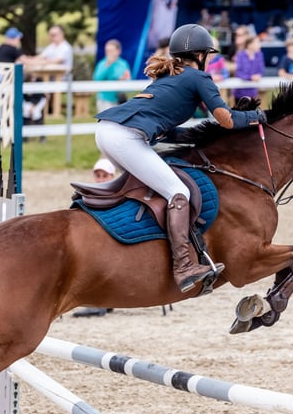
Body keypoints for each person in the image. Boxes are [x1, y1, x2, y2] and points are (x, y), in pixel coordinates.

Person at [94, 24, 266, 293]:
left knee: (148, 188)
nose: (209, 59)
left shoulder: (168, 77)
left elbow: (165, 129)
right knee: (178, 191)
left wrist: (196, 136)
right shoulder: (199, 78)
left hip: (107, 130)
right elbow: (227, 119)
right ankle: (184, 266)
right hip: (125, 137)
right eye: (208, 54)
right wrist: (258, 117)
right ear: (199, 55)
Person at [72, 158, 118, 318]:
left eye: (104, 175)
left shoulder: (116, 194)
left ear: (112, 176)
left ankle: (99, 302)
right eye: (98, 175)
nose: (100, 179)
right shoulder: (90, 194)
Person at [92, 38, 131, 113]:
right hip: (104, 99)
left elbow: (128, 79)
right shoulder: (102, 64)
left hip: (119, 100)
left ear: (118, 51)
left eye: (111, 51)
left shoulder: (123, 64)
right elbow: (97, 78)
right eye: (107, 51)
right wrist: (107, 66)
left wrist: (123, 79)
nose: (109, 53)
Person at [233, 34, 265, 102]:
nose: (259, 44)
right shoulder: (240, 55)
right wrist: (250, 77)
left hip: (253, 92)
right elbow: (238, 72)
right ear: (249, 44)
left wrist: (258, 76)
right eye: (257, 42)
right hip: (240, 92)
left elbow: (261, 69)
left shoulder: (259, 54)